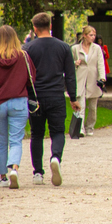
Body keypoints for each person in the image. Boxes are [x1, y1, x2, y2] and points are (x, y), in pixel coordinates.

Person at [23, 12, 78, 186]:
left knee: (37, 134)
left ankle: (38, 173)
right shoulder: (63, 47)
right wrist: (73, 97)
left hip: (36, 97)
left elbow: (24, 75)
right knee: (58, 132)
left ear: (34, 28)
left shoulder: (28, 49)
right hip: (56, 95)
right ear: (50, 26)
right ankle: (55, 157)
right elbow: (70, 75)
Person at [0, 25, 36, 189]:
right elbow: (31, 78)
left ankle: (2, 177)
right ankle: (14, 168)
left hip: (0, 102)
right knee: (15, 140)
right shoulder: (24, 56)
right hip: (19, 101)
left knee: (0, 141)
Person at [71, 26, 107, 136]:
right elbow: (68, 63)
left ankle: (90, 127)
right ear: (84, 36)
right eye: (91, 35)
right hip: (80, 79)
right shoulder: (75, 48)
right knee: (80, 105)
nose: (93, 37)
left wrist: (102, 78)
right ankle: (80, 129)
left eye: (94, 35)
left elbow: (101, 63)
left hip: (93, 80)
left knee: (92, 108)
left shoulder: (97, 48)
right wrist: (74, 63)